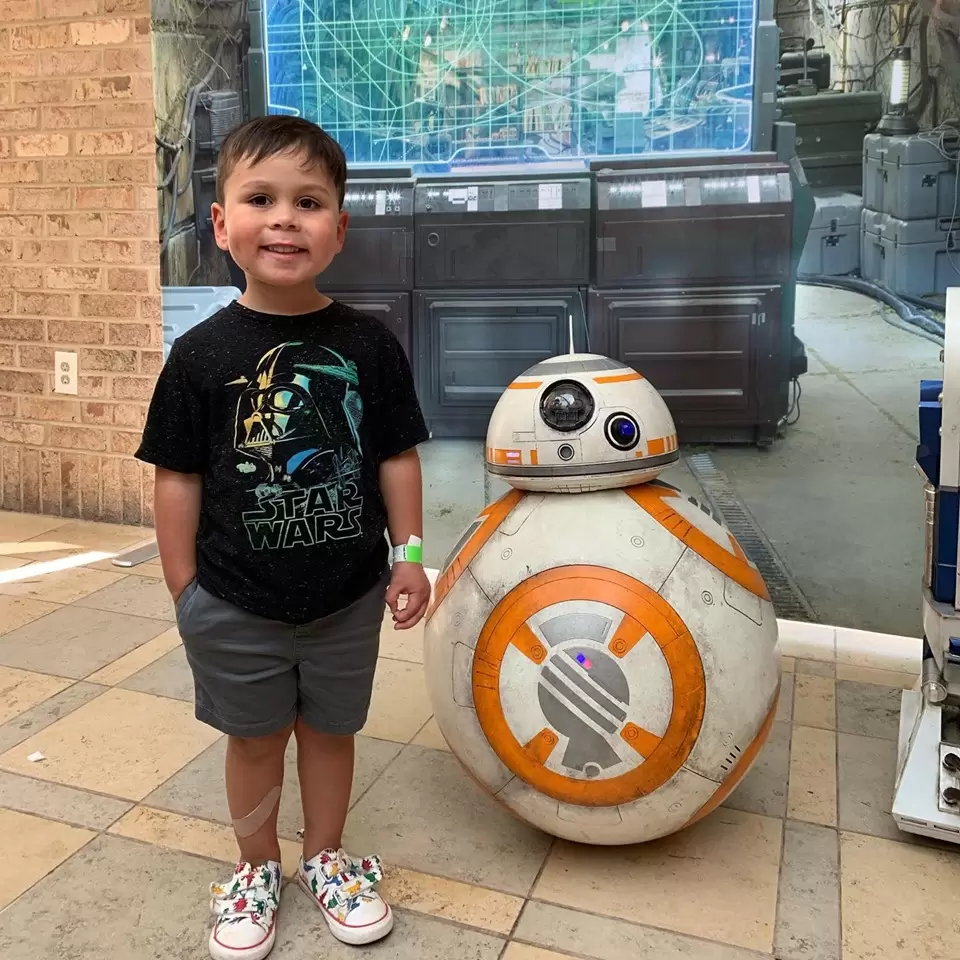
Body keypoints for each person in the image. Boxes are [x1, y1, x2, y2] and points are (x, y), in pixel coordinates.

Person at [135, 115, 431, 960]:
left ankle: (328, 860)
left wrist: (407, 558)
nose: (284, 219)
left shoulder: (368, 345)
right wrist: (184, 589)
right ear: (221, 224)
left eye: (309, 203)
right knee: (256, 739)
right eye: (260, 199)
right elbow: (178, 475)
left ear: (339, 230)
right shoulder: (198, 355)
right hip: (232, 602)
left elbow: (396, 459)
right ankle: (257, 866)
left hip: (347, 598)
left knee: (330, 735)